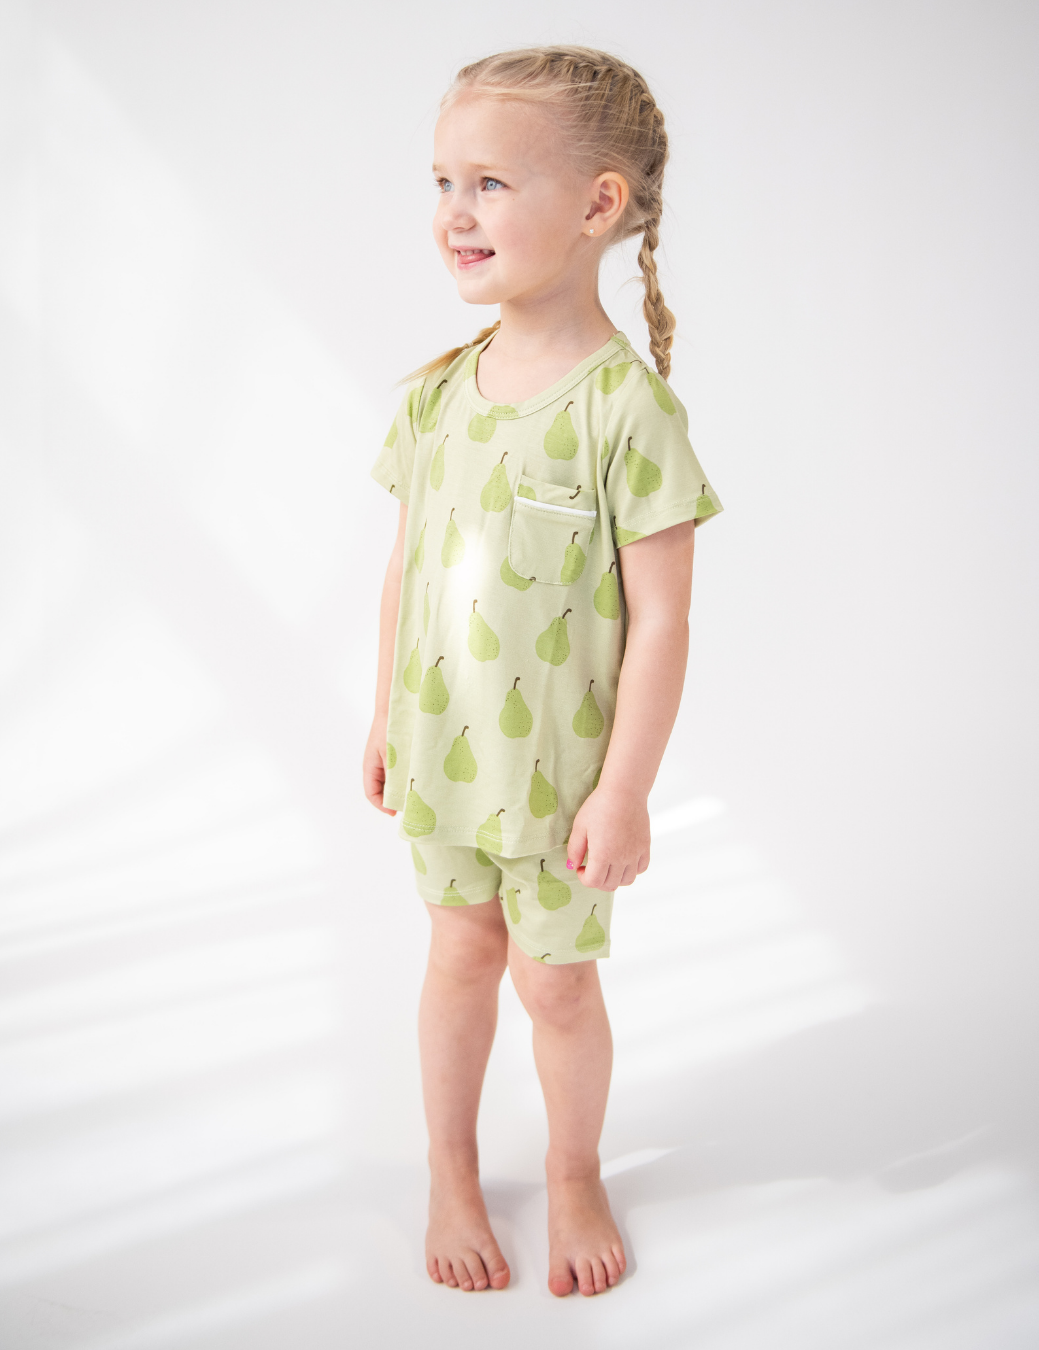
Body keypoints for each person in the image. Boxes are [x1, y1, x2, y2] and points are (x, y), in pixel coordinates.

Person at [363, 45, 722, 1299]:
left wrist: (624, 791)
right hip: (443, 761)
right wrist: (383, 717)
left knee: (556, 986)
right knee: (458, 957)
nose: (454, 213)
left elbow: (664, 622)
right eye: (444, 182)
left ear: (597, 204)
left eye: (490, 183)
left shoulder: (628, 411)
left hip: (561, 785)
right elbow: (407, 566)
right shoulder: (435, 398)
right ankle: (450, 1170)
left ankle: (574, 1172)